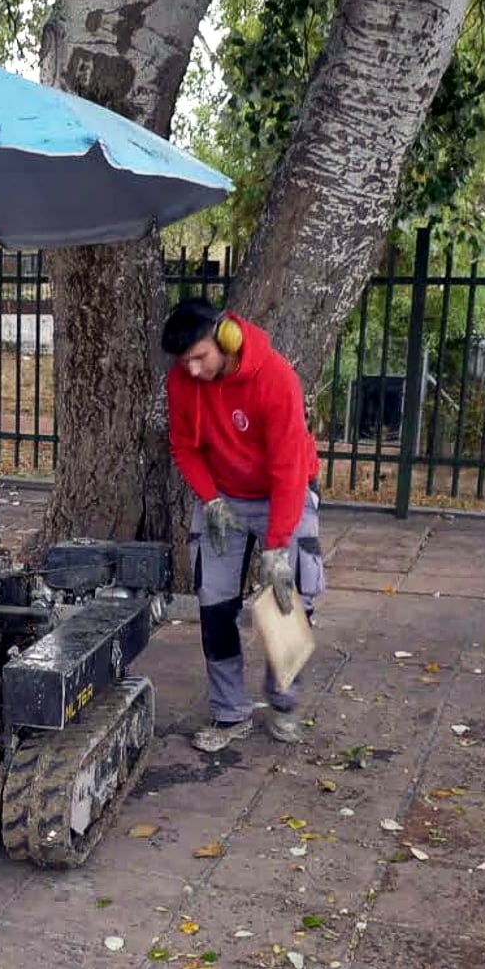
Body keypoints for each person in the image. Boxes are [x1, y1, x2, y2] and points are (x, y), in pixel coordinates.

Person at [161, 296, 326, 753]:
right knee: (214, 604)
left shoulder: (276, 380)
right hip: (225, 497)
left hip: (283, 493)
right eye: (184, 362)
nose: (192, 370)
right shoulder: (182, 381)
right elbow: (184, 446)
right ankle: (229, 711)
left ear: (226, 339)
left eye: (200, 358)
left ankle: (283, 702)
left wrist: (276, 548)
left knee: (288, 601)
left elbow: (289, 469)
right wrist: (210, 498)